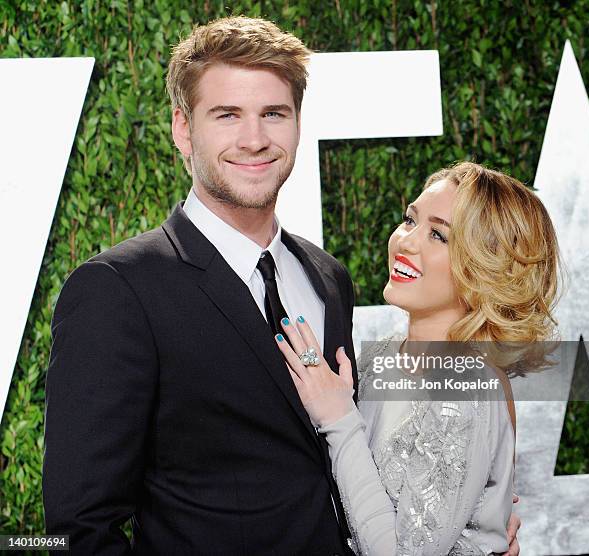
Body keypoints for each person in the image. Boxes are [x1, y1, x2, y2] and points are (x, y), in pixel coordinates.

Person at [43, 16, 357, 555]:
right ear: (183, 129)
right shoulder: (117, 290)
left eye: (273, 114)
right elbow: (75, 531)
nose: (255, 139)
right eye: (227, 115)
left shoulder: (328, 277)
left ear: (298, 123)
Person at [276, 162, 560, 555]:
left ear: (484, 269)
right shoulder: (380, 358)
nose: (406, 242)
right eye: (410, 220)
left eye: (439, 235)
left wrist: (338, 419)